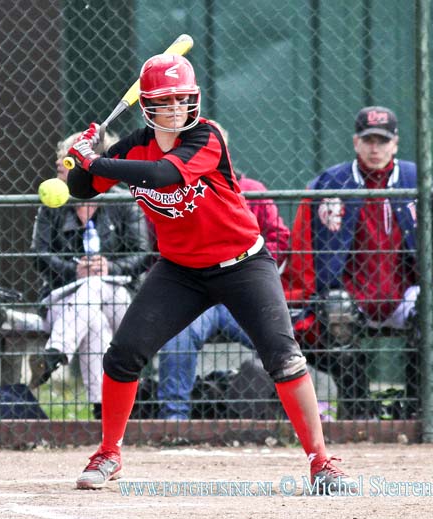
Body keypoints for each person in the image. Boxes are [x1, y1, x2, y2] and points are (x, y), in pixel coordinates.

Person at [65, 53, 355, 493]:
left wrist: (98, 161)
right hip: (179, 270)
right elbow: (82, 188)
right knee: (123, 354)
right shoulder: (131, 149)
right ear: (148, 105)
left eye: (184, 98)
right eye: (168, 100)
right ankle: (109, 452)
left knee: (283, 356)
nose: (179, 108)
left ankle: (322, 461)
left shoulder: (207, 136)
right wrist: (82, 156)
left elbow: (164, 174)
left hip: (243, 263)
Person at [282, 106, 418, 419]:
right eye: (368, 140)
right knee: (336, 311)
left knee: (428, 310)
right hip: (351, 295)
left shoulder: (414, 178)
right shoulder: (333, 181)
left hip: (402, 292)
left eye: (382, 141)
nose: (375, 148)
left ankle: (418, 408)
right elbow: (303, 246)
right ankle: (359, 410)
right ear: (356, 142)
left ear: (395, 144)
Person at [156, 123, 290, 420]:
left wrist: (257, 275)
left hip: (242, 294)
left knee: (278, 339)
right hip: (197, 297)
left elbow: (280, 237)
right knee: (178, 336)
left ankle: (278, 415)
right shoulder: (174, 194)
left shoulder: (252, 190)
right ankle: (174, 419)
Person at [30, 131, 152, 419]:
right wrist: (74, 269)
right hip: (64, 299)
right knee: (93, 319)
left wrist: (109, 267)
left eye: (68, 167)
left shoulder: (124, 202)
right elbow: (38, 256)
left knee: (96, 286)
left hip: (118, 297)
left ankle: (54, 353)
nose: (59, 174)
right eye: (60, 167)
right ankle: (104, 410)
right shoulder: (53, 206)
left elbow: (142, 254)